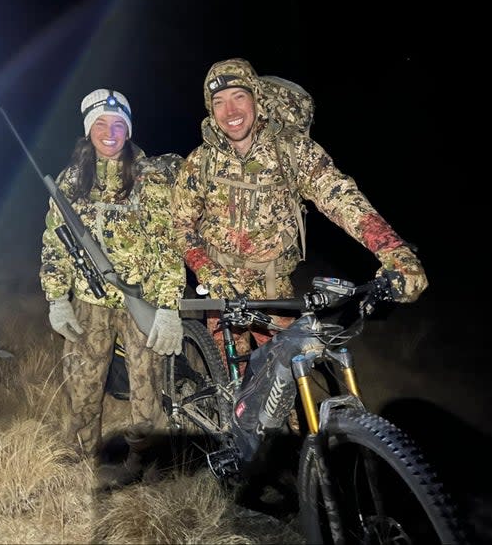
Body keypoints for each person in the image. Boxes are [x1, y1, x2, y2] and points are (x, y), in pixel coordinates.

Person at [172, 57, 428, 357]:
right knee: (232, 384)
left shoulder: (292, 151)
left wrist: (391, 248)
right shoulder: (200, 162)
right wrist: (207, 271)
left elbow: (339, 195)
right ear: (210, 110)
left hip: (275, 293)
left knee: (285, 384)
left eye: (239, 96)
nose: (231, 111)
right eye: (219, 101)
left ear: (256, 97)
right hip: (221, 292)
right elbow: (181, 226)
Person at [40, 88, 185, 487]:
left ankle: (148, 464)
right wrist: (57, 299)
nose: (110, 132)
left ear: (128, 130)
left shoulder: (150, 178)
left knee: (147, 390)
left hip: (142, 297)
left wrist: (169, 307)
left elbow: (167, 244)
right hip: (88, 302)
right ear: (88, 131)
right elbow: (55, 242)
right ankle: (79, 458)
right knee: (82, 385)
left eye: (118, 124)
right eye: (101, 124)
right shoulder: (71, 181)